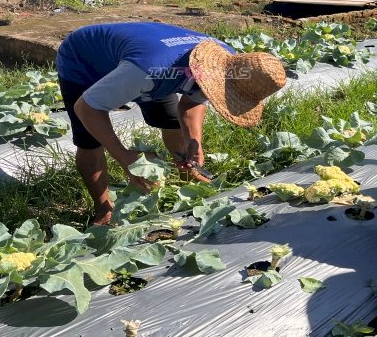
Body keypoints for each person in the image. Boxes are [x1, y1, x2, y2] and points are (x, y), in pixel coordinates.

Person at [56, 22, 286, 225]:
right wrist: (125, 157)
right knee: (90, 140)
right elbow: (87, 108)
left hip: (147, 61)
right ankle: (104, 209)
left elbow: (190, 103)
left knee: (172, 123)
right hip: (84, 60)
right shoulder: (148, 71)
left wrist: (193, 141)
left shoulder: (227, 62)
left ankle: (186, 174)